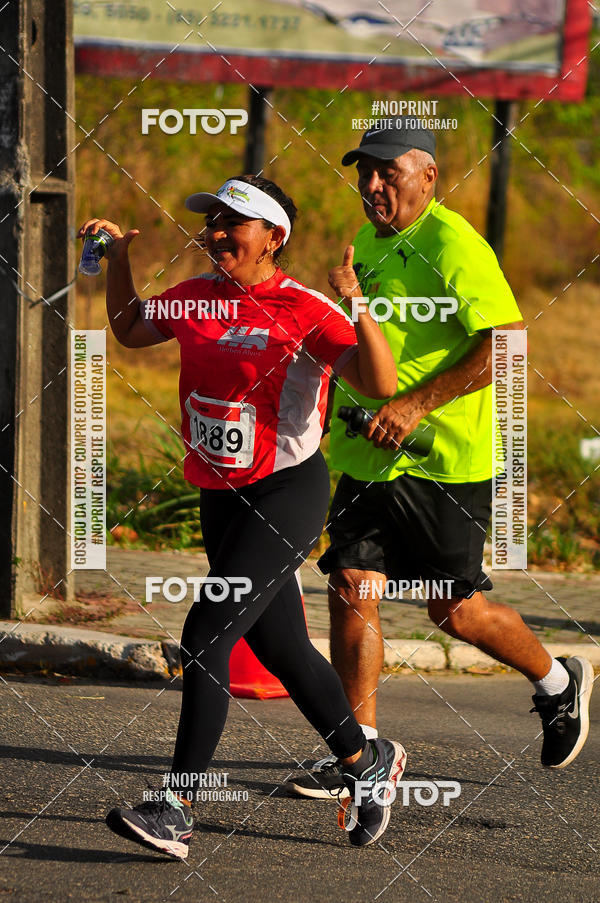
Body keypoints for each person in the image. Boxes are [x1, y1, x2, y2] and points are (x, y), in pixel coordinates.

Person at [78, 174, 406, 856]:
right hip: (218, 494)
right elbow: (132, 328)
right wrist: (120, 262)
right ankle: (364, 762)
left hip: (287, 490)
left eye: (235, 222)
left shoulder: (307, 308)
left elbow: (380, 384)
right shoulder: (197, 295)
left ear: (274, 237)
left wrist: (359, 305)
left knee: (205, 633)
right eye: (213, 220)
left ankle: (176, 808)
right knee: (281, 646)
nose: (217, 232)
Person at [285, 121, 594, 801]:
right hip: (370, 457)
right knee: (351, 588)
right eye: (364, 171)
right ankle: (360, 758)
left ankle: (558, 680)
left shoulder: (454, 243)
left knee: (454, 610)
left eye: (387, 173)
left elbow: (509, 343)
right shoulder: (367, 240)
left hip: (444, 464)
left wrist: (416, 406)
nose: (371, 185)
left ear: (428, 176)